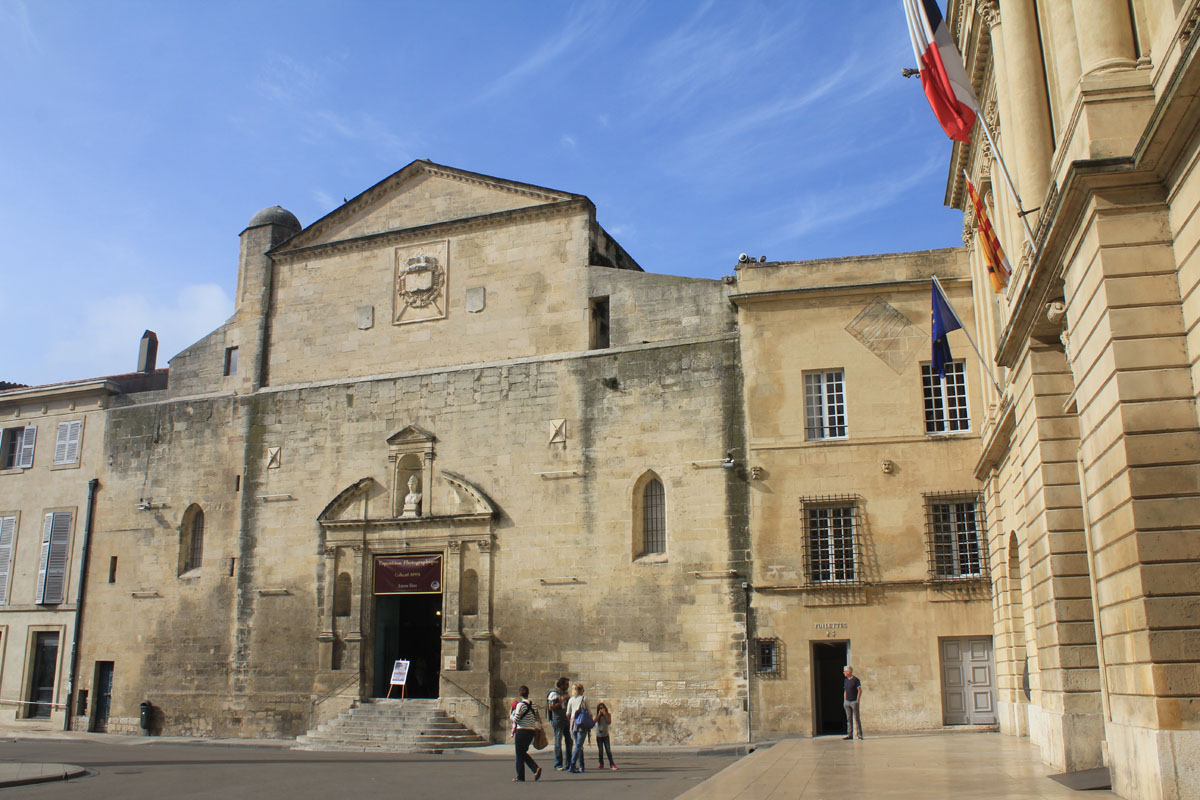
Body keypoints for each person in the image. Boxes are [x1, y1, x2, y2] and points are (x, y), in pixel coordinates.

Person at [509, 686, 543, 782]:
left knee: (519, 754)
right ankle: (533, 769)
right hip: (531, 731)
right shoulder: (534, 705)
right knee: (522, 753)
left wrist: (510, 715)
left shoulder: (520, 705)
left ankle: (523, 775)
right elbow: (537, 718)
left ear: (520, 694)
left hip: (522, 731)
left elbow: (515, 719)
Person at [547, 676, 572, 770]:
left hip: (566, 719)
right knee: (558, 742)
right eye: (566, 684)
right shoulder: (554, 694)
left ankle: (569, 763)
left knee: (569, 741)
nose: (568, 686)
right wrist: (562, 700)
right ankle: (558, 763)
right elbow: (551, 707)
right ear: (561, 685)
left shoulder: (565, 693)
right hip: (557, 719)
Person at [566, 682, 590, 773]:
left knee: (578, 745)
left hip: (573, 724)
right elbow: (589, 711)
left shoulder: (571, 699)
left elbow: (567, 713)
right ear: (581, 690)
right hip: (581, 723)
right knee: (579, 745)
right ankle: (572, 765)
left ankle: (582, 766)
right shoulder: (584, 698)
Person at [842, 665, 863, 740]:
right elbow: (845, 690)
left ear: (849, 672)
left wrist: (857, 700)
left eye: (845, 671)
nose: (844, 672)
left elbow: (859, 690)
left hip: (854, 701)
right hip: (847, 702)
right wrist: (845, 699)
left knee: (857, 718)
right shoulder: (846, 680)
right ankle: (849, 734)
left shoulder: (856, 680)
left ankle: (859, 734)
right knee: (849, 719)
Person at [595, 701, 616, 770]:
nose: (601, 710)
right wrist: (599, 715)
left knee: (608, 750)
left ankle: (611, 763)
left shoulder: (608, 715)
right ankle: (601, 763)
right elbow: (594, 721)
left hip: (605, 735)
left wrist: (605, 714)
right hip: (599, 735)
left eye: (603, 708)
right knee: (600, 750)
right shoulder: (597, 716)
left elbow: (608, 722)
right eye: (600, 709)